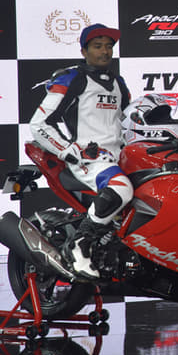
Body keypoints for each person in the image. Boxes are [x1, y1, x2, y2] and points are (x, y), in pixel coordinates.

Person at [29, 23, 132, 279]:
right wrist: (67, 151)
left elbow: (127, 122)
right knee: (122, 188)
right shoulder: (72, 78)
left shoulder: (118, 82)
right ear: (84, 51)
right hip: (89, 160)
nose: (104, 51)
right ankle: (79, 244)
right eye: (97, 46)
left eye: (108, 46)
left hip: (119, 157)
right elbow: (39, 124)